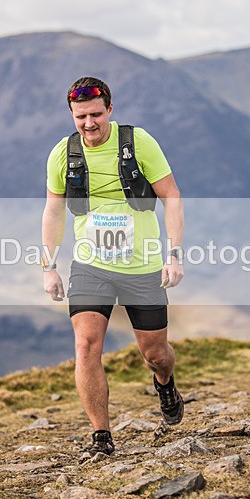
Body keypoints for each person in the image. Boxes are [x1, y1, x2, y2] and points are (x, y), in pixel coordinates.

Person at [41, 76, 185, 457]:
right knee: (86, 345)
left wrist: (173, 255)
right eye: (80, 116)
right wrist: (49, 266)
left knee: (154, 353)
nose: (89, 123)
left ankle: (165, 381)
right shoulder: (63, 153)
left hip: (142, 266)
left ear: (110, 109)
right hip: (91, 265)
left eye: (95, 114)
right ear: (71, 114)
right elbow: (53, 210)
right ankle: (101, 437)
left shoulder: (139, 144)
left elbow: (171, 196)